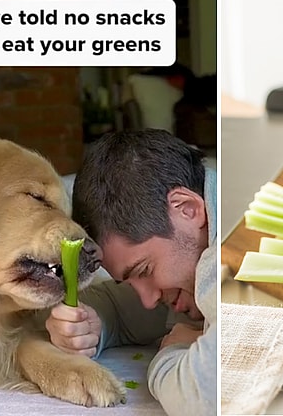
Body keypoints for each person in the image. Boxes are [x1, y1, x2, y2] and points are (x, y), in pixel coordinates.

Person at [45, 129, 217, 416]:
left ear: (186, 209)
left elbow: (204, 397)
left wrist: (170, 353)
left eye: (145, 269)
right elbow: (124, 309)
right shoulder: (189, 255)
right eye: (131, 280)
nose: (148, 300)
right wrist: (90, 326)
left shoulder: (219, 254)